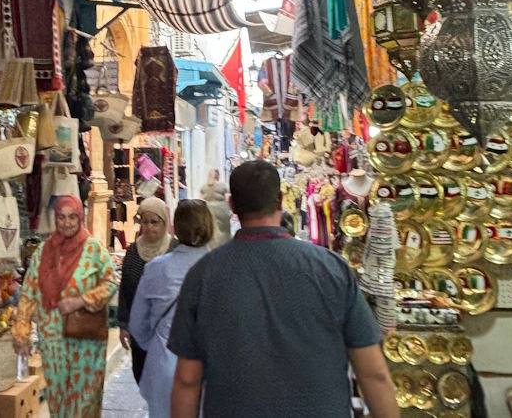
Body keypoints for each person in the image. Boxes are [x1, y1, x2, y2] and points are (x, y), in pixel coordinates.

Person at [168, 161, 399, 418]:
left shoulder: (203, 275)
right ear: (280, 200)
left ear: (232, 205)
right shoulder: (330, 269)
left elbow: (187, 381)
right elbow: (373, 374)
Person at [12, 196, 117, 418]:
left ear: (80, 218)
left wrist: (80, 301)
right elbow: (29, 293)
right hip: (52, 339)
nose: (67, 223)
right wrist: (21, 332)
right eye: (61, 217)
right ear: (55, 219)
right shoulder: (43, 251)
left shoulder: (94, 249)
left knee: (84, 397)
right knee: (58, 397)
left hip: (86, 340)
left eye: (72, 217)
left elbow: (110, 282)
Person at [129, 200, 214, 418]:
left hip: (164, 365)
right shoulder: (221, 267)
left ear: (174, 227)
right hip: (208, 369)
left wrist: (157, 343)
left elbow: (137, 325)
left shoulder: (157, 268)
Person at [117, 196, 177, 383]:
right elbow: (126, 289)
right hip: (141, 327)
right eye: (145, 222)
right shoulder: (134, 252)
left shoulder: (175, 249)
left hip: (169, 329)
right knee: (143, 375)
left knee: (167, 378)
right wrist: (124, 325)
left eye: (154, 222)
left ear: (164, 222)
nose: (150, 227)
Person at [199, 169, 231, 248]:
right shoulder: (223, 186)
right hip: (222, 210)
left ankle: (213, 247)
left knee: (211, 230)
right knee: (225, 231)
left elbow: (200, 199)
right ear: (218, 176)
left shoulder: (204, 187)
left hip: (208, 210)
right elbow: (227, 198)